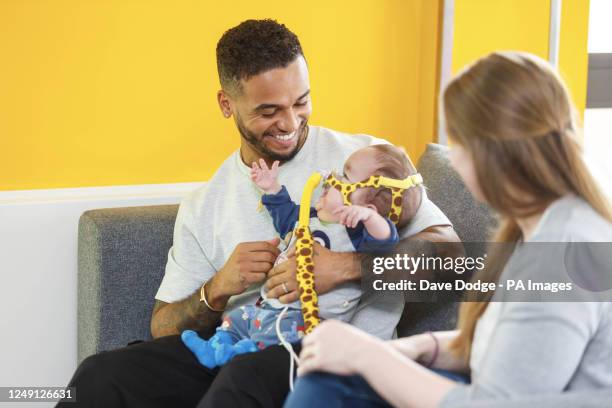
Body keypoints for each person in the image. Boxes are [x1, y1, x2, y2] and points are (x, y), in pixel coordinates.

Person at [58, 19, 458, 408]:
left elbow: (455, 260)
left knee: (244, 377)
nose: (290, 122)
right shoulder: (205, 204)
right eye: (269, 111)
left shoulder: (367, 162)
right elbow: (161, 326)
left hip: (326, 355)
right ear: (226, 104)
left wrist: (347, 266)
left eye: (301, 101)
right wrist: (216, 289)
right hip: (235, 346)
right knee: (100, 377)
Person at [284, 51, 612, 408]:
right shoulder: (551, 228)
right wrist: (427, 346)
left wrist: (366, 355)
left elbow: (495, 402)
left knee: (328, 384)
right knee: (331, 382)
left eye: (457, 145)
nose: (453, 159)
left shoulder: (562, 251)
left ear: (490, 152)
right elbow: (517, 348)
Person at [181, 144, 423, 368]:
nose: (332, 178)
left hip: (306, 321)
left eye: (345, 177)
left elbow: (387, 244)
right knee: (235, 319)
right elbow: (286, 215)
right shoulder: (310, 217)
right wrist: (271, 188)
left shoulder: (356, 234)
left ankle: (241, 356)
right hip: (268, 307)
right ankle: (216, 349)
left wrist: (370, 220)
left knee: (270, 342)